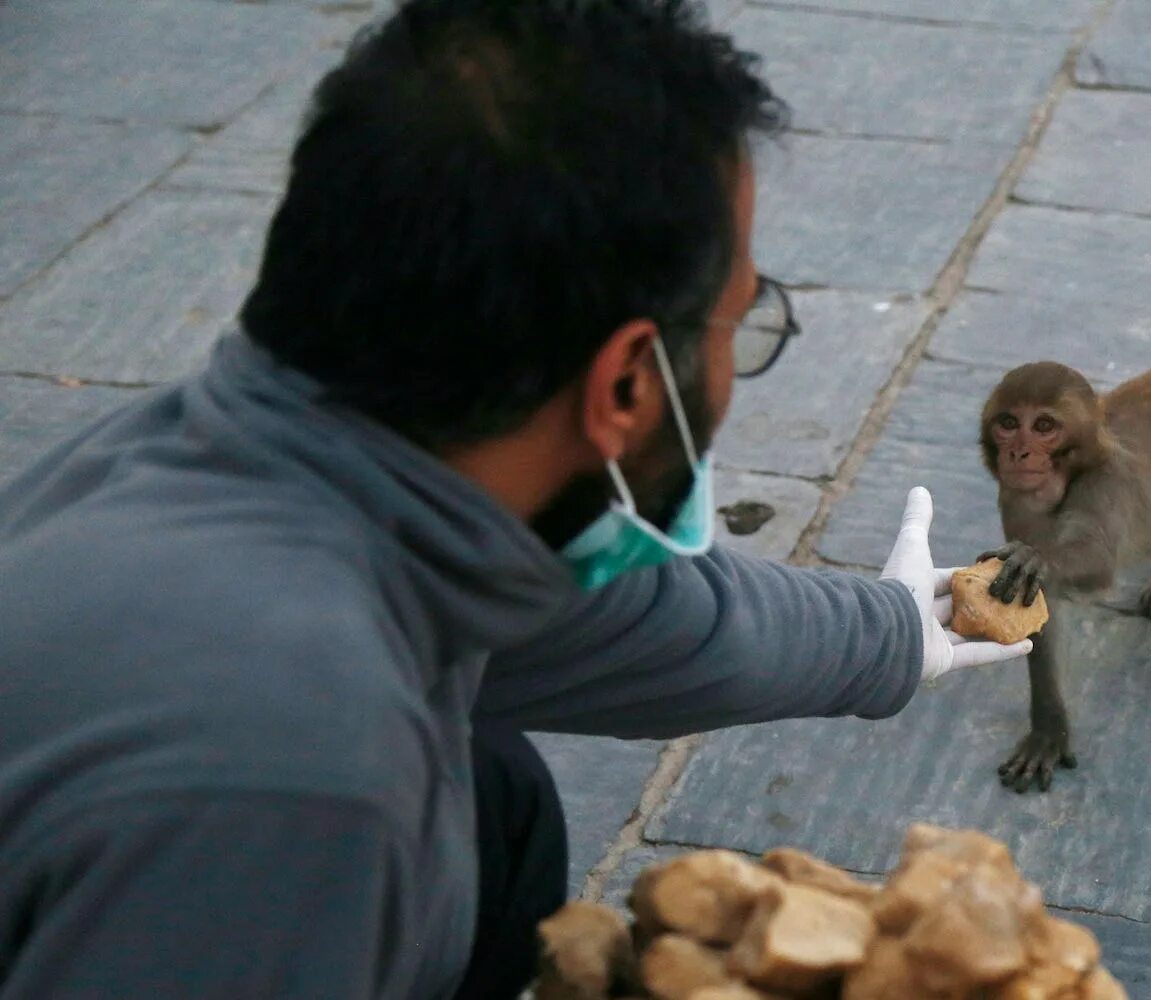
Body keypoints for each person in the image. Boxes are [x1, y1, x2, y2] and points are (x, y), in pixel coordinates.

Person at [0, 1, 1030, 996]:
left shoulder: (282, 455)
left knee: (498, 801)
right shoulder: (304, 785)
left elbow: (621, 622)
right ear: (627, 383)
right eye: (740, 324)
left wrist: (889, 629)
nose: (735, 355)